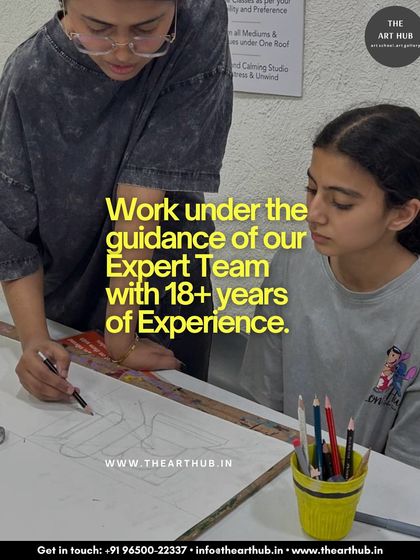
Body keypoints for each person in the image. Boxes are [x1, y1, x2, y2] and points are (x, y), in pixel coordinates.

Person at [0, 0, 233, 401]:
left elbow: (143, 188)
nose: (123, 53)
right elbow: (11, 231)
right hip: (66, 291)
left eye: (146, 30)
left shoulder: (198, 18)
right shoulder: (31, 76)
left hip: (165, 282)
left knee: (178, 420)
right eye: (98, 29)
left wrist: (121, 338)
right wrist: (34, 339)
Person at [240, 104, 420, 469]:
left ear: (402, 214)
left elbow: (407, 472)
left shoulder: (411, 310)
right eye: (311, 189)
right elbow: (261, 405)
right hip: (279, 469)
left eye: (341, 203)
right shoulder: (292, 262)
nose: (313, 213)